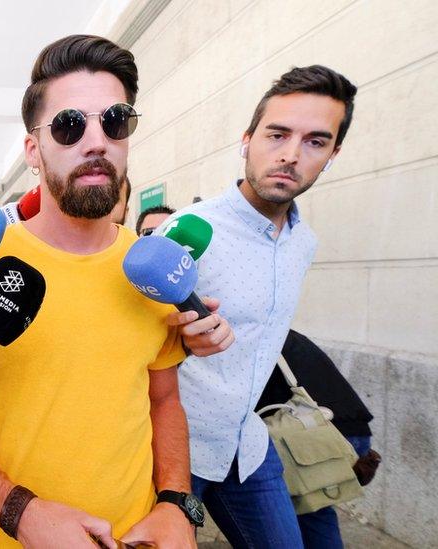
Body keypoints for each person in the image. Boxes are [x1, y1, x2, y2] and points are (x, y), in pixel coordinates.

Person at [0, 34, 235, 548]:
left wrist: (177, 505)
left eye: (115, 120)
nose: (97, 140)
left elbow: (165, 401)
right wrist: (19, 511)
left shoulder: (151, 268)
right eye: (69, 125)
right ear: (33, 150)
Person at [166, 65, 358, 548]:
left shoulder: (304, 242)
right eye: (277, 135)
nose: (291, 156)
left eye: (315, 142)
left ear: (332, 155)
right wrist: (178, 337)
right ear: (247, 140)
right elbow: (129, 338)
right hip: (169, 448)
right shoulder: (191, 228)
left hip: (247, 445)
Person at [256, 329, 380, 548]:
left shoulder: (245, 334)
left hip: (322, 438)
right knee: (314, 510)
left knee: (306, 515)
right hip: (350, 430)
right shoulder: (278, 328)